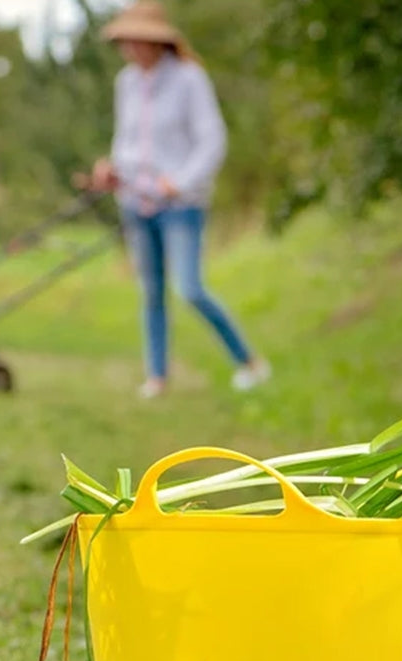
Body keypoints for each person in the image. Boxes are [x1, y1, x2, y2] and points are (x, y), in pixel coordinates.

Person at [87, 1, 271, 399]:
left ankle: (250, 363)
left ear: (157, 42)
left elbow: (212, 141)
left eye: (137, 41)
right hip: (136, 200)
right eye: (125, 42)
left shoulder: (189, 79)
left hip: (181, 205)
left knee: (189, 289)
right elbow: (127, 143)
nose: (130, 49)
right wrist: (111, 170)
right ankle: (157, 377)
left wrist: (181, 181)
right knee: (152, 292)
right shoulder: (127, 84)